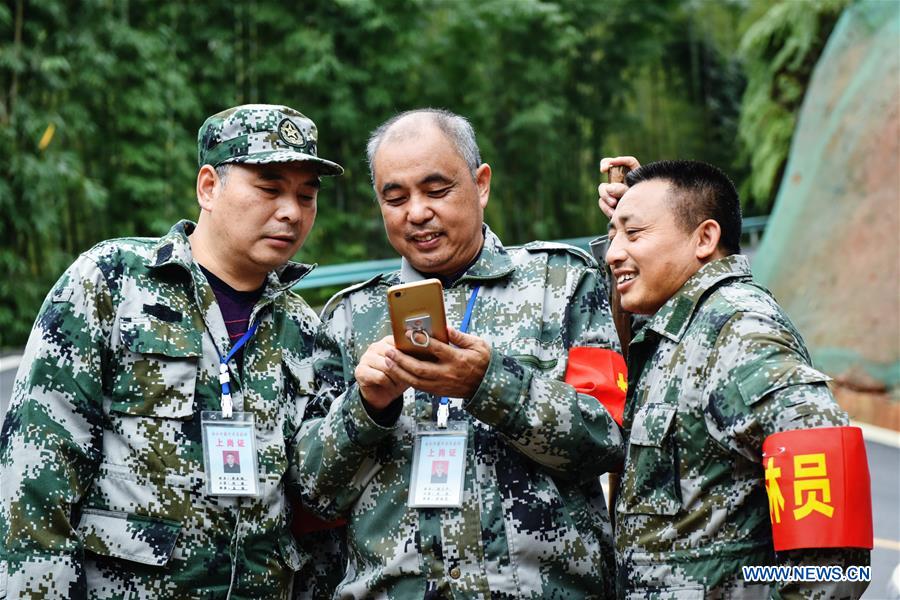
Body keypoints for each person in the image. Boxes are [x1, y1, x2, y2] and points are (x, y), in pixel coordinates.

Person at [0, 104, 344, 598]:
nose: (290, 211)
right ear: (208, 187)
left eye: (306, 195)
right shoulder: (112, 283)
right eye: (269, 189)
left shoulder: (303, 329)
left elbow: (316, 499)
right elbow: (36, 476)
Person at [291, 108, 626, 598]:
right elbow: (313, 495)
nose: (417, 212)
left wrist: (489, 383)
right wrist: (366, 408)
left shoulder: (561, 282)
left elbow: (606, 438)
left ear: (481, 184)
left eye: (437, 189)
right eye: (395, 197)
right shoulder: (348, 316)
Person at [599, 158, 871, 597]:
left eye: (633, 234)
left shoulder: (738, 330)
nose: (613, 253)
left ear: (705, 237)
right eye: (614, 236)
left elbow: (834, 538)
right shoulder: (678, 329)